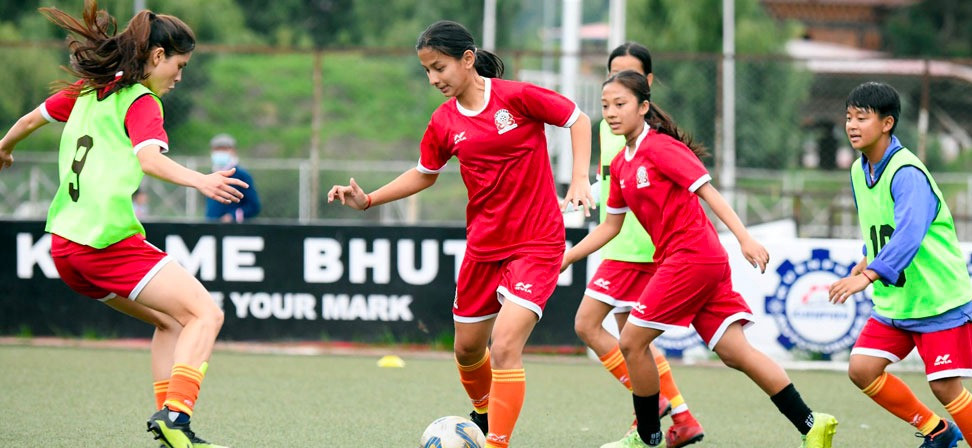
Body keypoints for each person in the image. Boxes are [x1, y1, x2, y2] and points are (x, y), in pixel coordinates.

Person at [328, 20, 593, 448]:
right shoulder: (444, 122)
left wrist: (579, 178)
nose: (434, 79)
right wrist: (369, 200)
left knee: (505, 345)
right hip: (484, 247)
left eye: (440, 67)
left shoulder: (517, 97)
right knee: (468, 350)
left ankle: (496, 442)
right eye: (427, 71)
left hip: (536, 243)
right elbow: (424, 173)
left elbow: (578, 119)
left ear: (467, 60)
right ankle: (485, 416)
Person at [0, 2, 246, 447]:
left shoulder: (88, 89)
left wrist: (3, 149)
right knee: (206, 314)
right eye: (179, 64)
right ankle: (177, 418)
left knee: (172, 323)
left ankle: (170, 432)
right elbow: (149, 159)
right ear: (156, 57)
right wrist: (201, 181)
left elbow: (29, 120)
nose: (179, 76)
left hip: (65, 248)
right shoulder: (141, 100)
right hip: (104, 242)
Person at [561, 70, 838, 448]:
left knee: (631, 342)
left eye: (620, 104)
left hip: (691, 257)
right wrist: (567, 258)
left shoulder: (659, 148)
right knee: (735, 352)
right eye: (606, 105)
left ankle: (646, 437)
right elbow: (610, 227)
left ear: (643, 107)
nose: (611, 112)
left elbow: (708, 192)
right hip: (697, 260)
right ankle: (812, 423)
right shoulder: (623, 164)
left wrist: (745, 239)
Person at [829, 82, 971, 448]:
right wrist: (861, 268)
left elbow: (908, 235)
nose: (852, 126)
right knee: (862, 369)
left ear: (887, 122)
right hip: (898, 301)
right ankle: (938, 432)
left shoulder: (906, 172)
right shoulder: (860, 171)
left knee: (944, 386)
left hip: (938, 300)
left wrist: (869, 276)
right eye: (848, 117)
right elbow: (878, 233)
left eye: (862, 117)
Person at [574, 42, 703, 448]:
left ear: (646, 85)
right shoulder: (606, 127)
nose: (617, 83)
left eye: (629, 75)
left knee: (599, 329)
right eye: (612, 73)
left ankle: (655, 408)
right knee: (631, 343)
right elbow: (615, 184)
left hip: (647, 249)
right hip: (617, 243)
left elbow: (685, 190)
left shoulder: (659, 135)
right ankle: (679, 416)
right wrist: (587, 188)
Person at [205, 133, 260, 222]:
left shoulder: (242, 175)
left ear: (233, 151)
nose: (220, 152)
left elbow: (253, 206)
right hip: (211, 225)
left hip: (233, 229)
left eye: (224, 149)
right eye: (217, 149)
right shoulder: (211, 174)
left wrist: (232, 216)